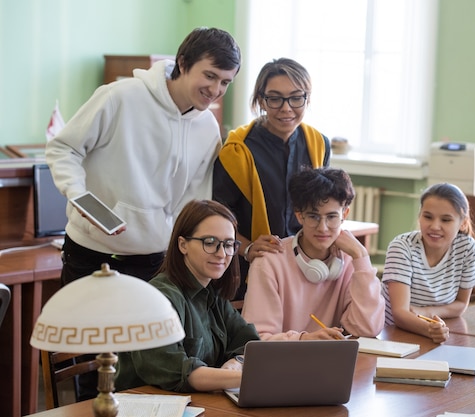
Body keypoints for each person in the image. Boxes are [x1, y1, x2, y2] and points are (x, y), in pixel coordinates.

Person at [46, 27, 241, 286]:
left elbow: (193, 200)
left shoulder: (207, 128)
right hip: (90, 251)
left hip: (154, 259)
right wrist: (78, 194)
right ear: (183, 63)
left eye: (225, 82)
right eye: (210, 75)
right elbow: (63, 148)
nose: (216, 89)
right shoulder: (118, 96)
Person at [212, 57, 331, 300]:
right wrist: (247, 248)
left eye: (296, 98)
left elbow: (324, 205)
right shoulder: (237, 151)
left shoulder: (319, 144)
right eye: (275, 98)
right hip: (247, 269)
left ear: (307, 99)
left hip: (304, 267)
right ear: (260, 100)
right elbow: (218, 217)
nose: (286, 108)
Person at [116, 199, 260, 392]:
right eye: (210, 242)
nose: (221, 254)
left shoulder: (212, 291)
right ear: (183, 245)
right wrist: (241, 377)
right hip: (148, 406)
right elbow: (179, 371)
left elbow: (248, 342)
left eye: (228, 244)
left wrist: (235, 364)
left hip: (196, 404)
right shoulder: (158, 299)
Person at [241, 167, 385, 340]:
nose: (322, 228)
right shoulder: (270, 261)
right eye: (313, 217)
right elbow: (257, 338)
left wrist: (361, 257)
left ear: (344, 214)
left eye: (331, 217)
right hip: (282, 362)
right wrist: (303, 340)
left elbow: (367, 329)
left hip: (331, 361)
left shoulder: (350, 260)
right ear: (299, 216)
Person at [381, 182, 475, 343]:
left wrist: (426, 312)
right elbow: (400, 314)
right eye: (428, 217)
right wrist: (430, 329)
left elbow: (461, 304)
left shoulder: (467, 247)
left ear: (462, 222)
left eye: (446, 220)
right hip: (392, 333)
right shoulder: (401, 247)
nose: (435, 226)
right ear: (419, 215)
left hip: (433, 332)